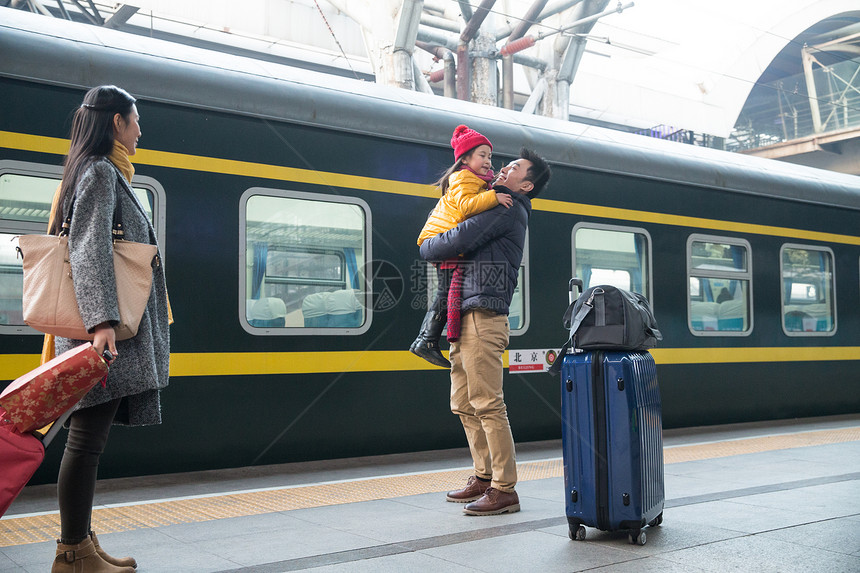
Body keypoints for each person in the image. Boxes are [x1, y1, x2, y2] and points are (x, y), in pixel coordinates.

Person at [46, 85, 170, 572]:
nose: (141, 130)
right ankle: (73, 552)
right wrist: (102, 323)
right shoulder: (101, 172)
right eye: (136, 120)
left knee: (88, 441)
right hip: (101, 332)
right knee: (85, 442)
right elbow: (89, 247)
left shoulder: (101, 172)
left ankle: (82, 544)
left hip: (103, 328)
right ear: (116, 122)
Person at [419, 148, 551, 515]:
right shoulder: (490, 202)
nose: (505, 168)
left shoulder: (507, 208)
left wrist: (427, 241)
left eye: (515, 168)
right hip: (464, 314)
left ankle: (504, 488)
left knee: (488, 404)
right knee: (462, 403)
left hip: (483, 316)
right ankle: (483, 475)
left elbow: (447, 243)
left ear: (525, 184)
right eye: (506, 163)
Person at [410, 125, 513, 368]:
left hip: (442, 239)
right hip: (440, 239)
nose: (488, 161)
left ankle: (426, 340)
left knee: (444, 293)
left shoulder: (475, 180)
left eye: (490, 156)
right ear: (465, 158)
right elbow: (467, 207)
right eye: (482, 155)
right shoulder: (464, 178)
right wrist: (494, 197)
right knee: (444, 294)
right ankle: (426, 340)